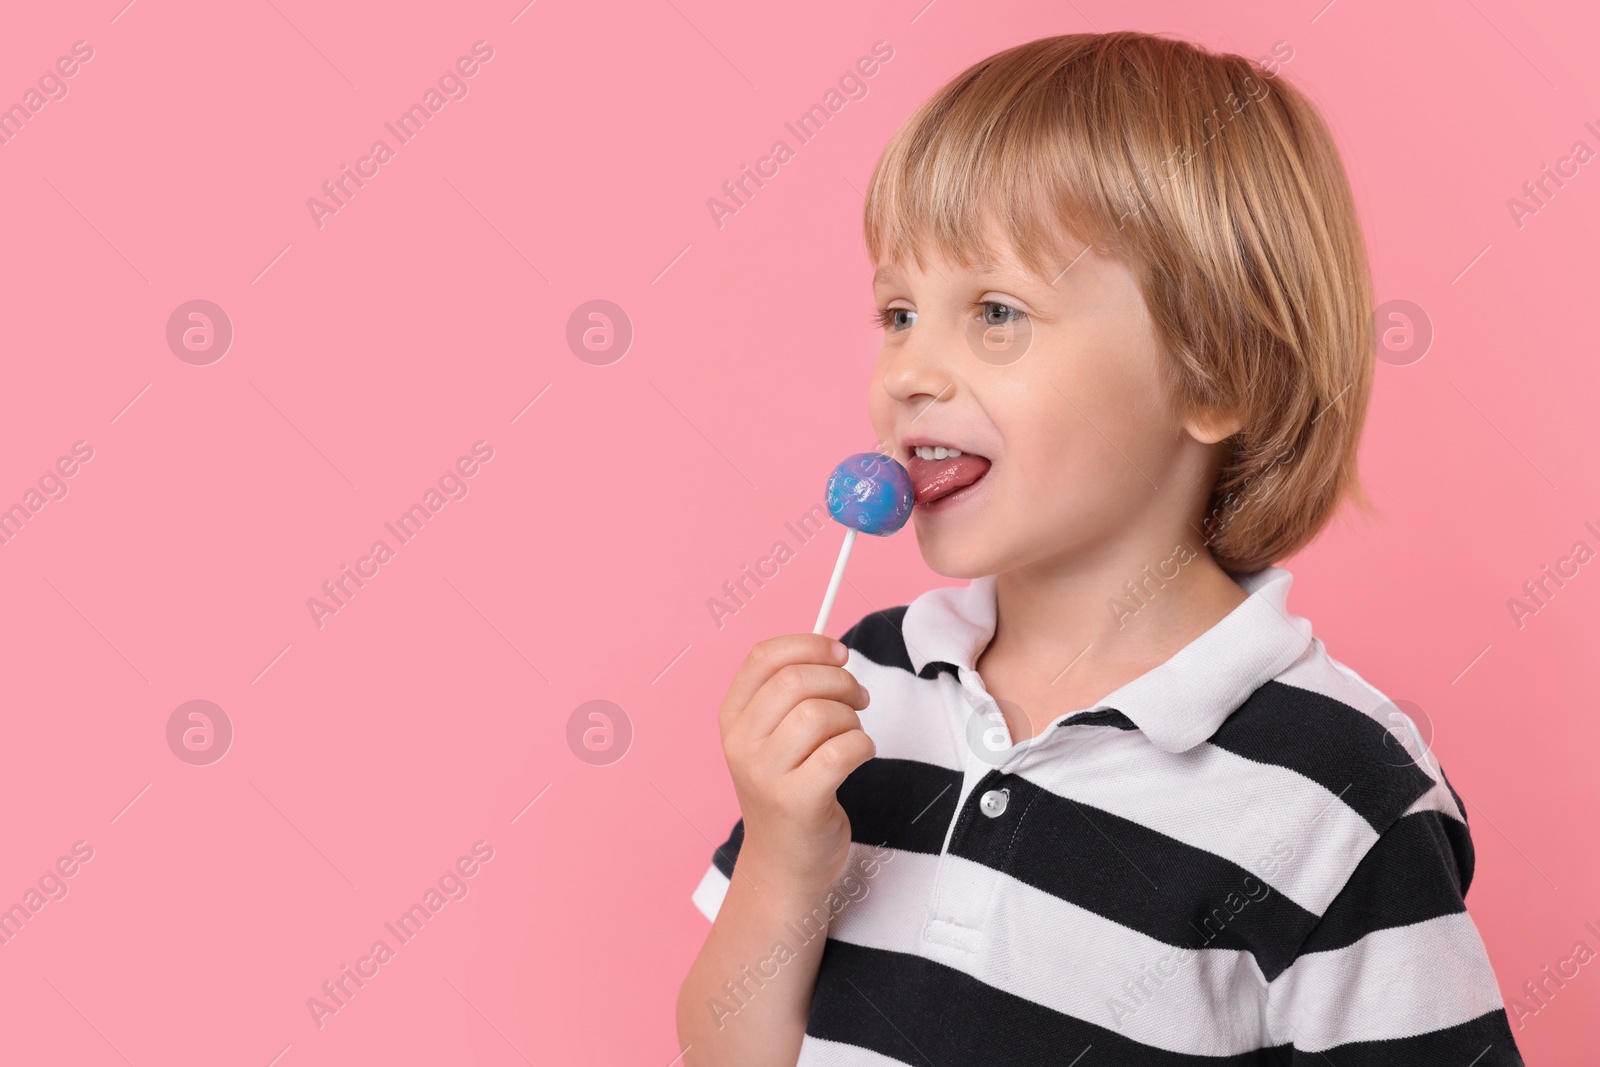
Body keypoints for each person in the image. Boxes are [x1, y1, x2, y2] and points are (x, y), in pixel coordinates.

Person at [676, 30, 1524, 1066]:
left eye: (996, 311)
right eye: (898, 312)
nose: (906, 371)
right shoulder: (868, 683)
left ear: (1216, 377)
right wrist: (780, 857)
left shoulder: (1337, 792)